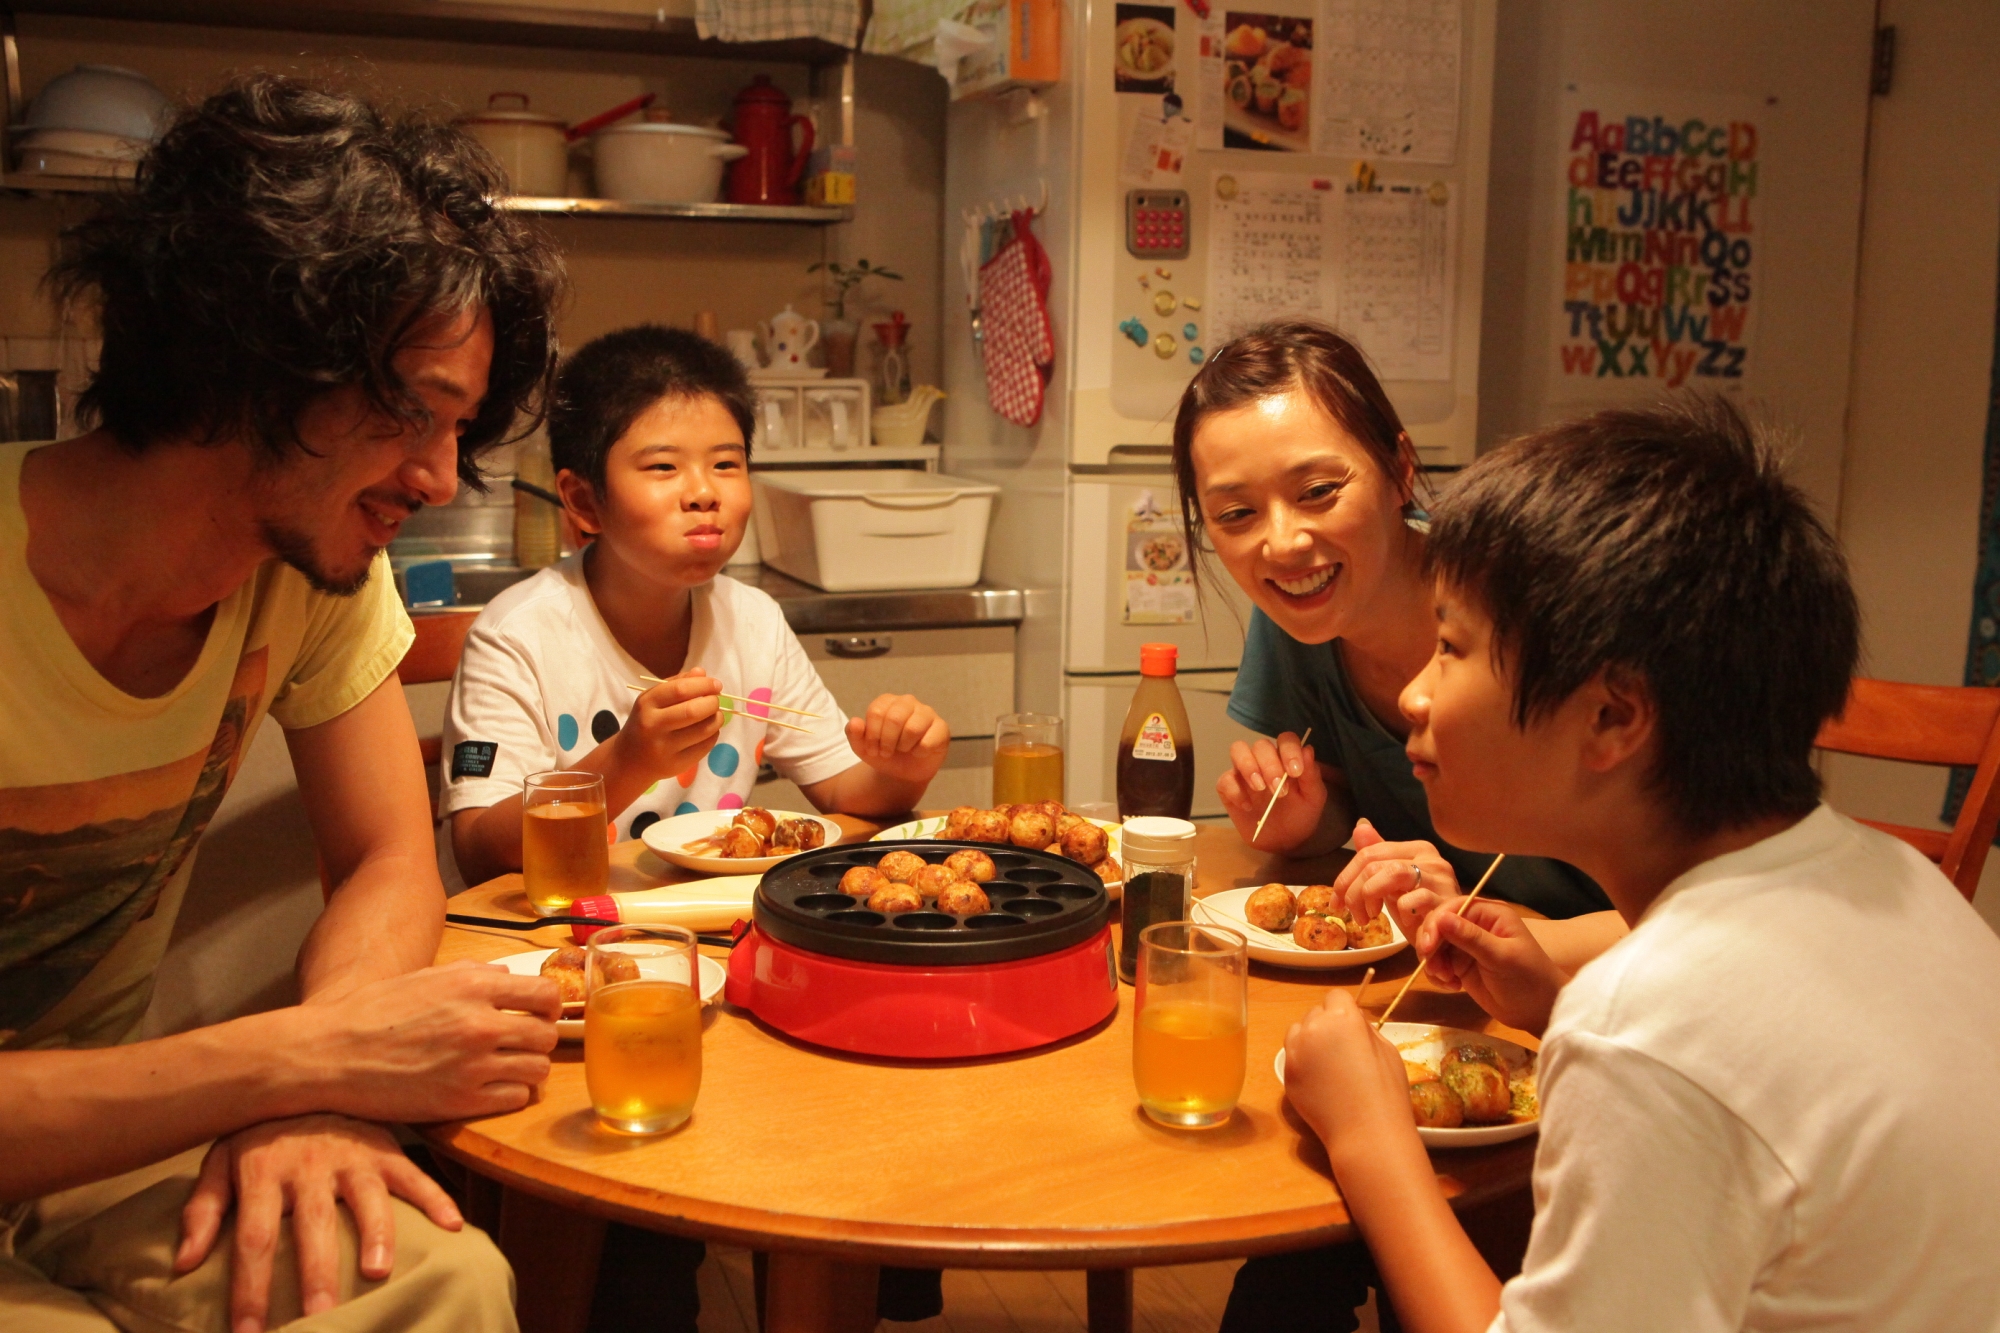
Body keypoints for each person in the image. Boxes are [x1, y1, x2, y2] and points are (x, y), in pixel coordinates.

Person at [1, 77, 569, 1332]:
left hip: (95, 1153)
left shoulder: (310, 575)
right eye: (410, 411)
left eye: (458, 427)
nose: (438, 476)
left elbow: (383, 857)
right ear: (247, 354)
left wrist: (318, 1092)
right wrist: (298, 1061)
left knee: (436, 1277)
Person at [1281, 398, 2000, 1333]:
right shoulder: (1894, 877)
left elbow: (1685, 1050)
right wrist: (1552, 1002)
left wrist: (1367, 1135)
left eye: (1451, 647)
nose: (1415, 693)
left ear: (1613, 717)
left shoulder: (1652, 1019)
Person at [1176, 323, 1618, 1331]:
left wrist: (1508, 933)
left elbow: (1692, 909)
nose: (1281, 543)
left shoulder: (1533, 617)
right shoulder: (1298, 617)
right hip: (1450, 998)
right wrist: (1313, 818)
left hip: (1575, 1024)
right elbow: (1366, 818)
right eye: (1235, 513)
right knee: (1289, 1256)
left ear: (1400, 470)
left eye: (1317, 491)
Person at [443, 324, 952, 885]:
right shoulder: (517, 634)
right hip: (572, 919)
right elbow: (478, 848)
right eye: (664, 467)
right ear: (584, 500)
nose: (704, 492)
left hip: (715, 918)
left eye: (726, 464)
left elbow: (844, 790)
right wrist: (627, 761)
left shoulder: (752, 621)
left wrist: (904, 771)